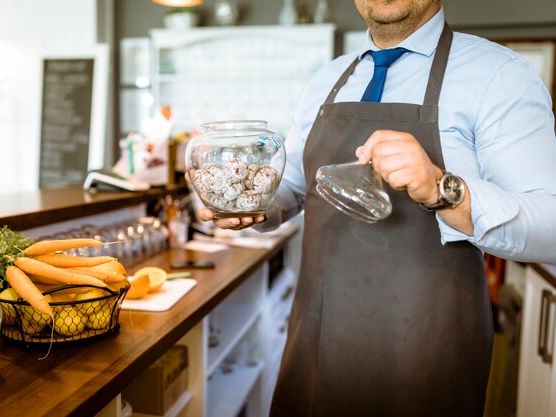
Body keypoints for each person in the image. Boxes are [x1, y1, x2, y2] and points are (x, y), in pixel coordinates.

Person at [198, 0, 556, 416]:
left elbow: (550, 224)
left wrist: (442, 188)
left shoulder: (498, 76)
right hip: (316, 342)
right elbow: (292, 190)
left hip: (424, 356)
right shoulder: (326, 79)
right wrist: (245, 201)